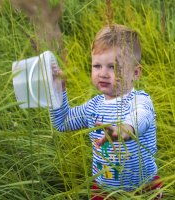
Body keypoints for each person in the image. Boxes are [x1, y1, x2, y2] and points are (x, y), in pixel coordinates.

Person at [50, 24, 162, 199]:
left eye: (113, 67)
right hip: (104, 188)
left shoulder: (140, 100)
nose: (103, 73)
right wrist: (58, 92)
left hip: (144, 187)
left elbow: (141, 116)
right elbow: (62, 122)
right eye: (97, 66)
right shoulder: (92, 107)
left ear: (135, 72)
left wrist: (125, 129)